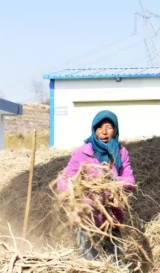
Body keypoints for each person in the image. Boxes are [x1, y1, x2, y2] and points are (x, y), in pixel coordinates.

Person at [58, 110, 135, 264]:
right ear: (94, 130)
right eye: (99, 128)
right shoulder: (82, 152)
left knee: (115, 260)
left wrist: (112, 182)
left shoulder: (121, 152)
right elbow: (64, 180)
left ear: (116, 129)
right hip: (86, 217)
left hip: (111, 217)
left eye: (109, 127)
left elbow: (130, 180)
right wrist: (79, 190)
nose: (104, 132)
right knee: (90, 261)